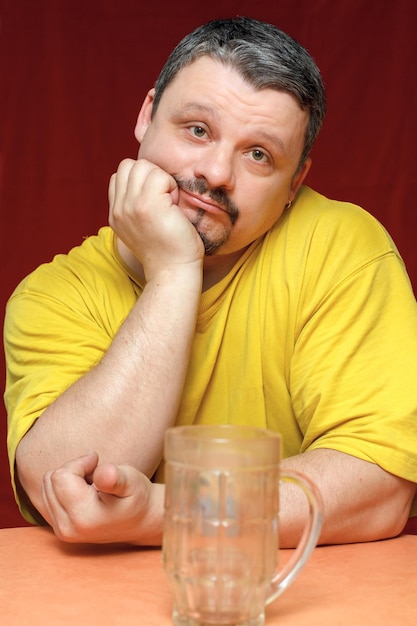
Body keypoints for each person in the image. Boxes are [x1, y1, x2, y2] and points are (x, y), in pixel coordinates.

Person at [4, 16, 417, 548]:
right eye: (197, 129)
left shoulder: (341, 246)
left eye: (258, 154)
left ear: (295, 183)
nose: (218, 172)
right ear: (147, 114)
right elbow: (70, 491)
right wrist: (174, 273)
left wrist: (170, 511)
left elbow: (381, 487)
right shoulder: (52, 296)